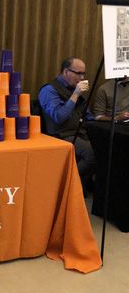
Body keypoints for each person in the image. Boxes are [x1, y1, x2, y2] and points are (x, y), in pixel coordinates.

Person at [38, 57, 95, 193]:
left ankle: (77, 187)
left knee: (105, 146)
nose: (81, 78)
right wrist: (75, 95)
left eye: (83, 74)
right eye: (78, 73)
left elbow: (88, 116)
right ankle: (64, 184)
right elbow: (59, 117)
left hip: (79, 133)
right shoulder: (49, 90)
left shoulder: (74, 90)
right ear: (65, 72)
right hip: (60, 135)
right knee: (93, 154)